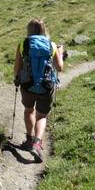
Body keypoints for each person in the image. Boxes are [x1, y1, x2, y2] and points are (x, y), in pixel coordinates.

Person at [13, 18, 64, 162]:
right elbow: (60, 68)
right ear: (44, 29)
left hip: (27, 85)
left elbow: (17, 69)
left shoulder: (23, 44)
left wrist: (17, 79)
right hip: (46, 87)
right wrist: (59, 52)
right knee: (41, 116)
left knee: (29, 110)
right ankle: (37, 142)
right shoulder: (52, 45)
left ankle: (29, 139)